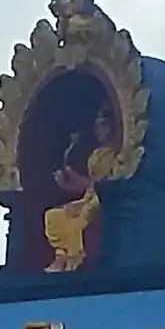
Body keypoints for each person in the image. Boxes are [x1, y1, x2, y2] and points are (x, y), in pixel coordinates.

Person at [44, 104, 118, 273]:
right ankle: (61, 256)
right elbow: (89, 185)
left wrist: (71, 175)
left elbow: (100, 185)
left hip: (102, 199)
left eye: (102, 126)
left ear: (111, 127)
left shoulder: (111, 154)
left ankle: (74, 259)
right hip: (89, 196)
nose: (98, 131)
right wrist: (66, 183)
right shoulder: (98, 153)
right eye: (97, 126)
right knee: (53, 216)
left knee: (81, 219)